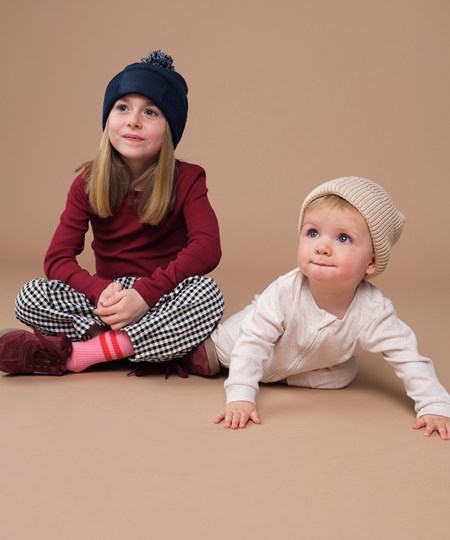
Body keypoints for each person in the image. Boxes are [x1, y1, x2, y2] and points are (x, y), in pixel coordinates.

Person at [0, 50, 224, 377]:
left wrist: (145, 295)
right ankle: (160, 349)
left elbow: (207, 248)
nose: (133, 121)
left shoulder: (188, 179)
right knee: (31, 295)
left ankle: (85, 353)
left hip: (161, 296)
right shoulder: (87, 182)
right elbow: (57, 258)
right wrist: (101, 291)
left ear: (170, 129)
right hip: (107, 298)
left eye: (150, 112)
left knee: (207, 295)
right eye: (122, 108)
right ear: (108, 119)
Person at [212, 176, 450, 439]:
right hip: (242, 344)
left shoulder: (373, 311)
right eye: (313, 233)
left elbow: (409, 357)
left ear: (371, 261)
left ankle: (275, 377)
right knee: (224, 350)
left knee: (344, 373)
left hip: (297, 363)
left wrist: (434, 405)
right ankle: (203, 354)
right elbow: (253, 342)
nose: (322, 247)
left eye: (343, 238)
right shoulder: (285, 291)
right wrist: (241, 397)